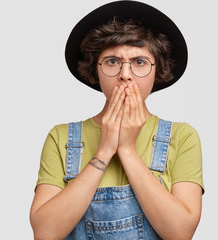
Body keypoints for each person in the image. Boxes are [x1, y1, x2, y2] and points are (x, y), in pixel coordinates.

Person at [29, 1, 204, 240]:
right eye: (112, 61)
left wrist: (127, 149)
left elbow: (181, 233)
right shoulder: (61, 138)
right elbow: (45, 233)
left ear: (157, 70)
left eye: (139, 62)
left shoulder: (182, 137)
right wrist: (104, 151)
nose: (124, 74)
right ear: (96, 69)